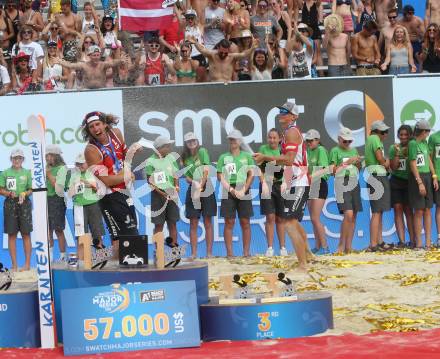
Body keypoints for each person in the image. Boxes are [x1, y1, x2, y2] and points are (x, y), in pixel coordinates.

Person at [253, 100, 310, 270]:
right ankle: (308, 255)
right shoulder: (288, 132)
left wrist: (265, 157)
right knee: (292, 222)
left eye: (285, 112)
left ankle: (303, 264)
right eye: (280, 111)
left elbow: (289, 160)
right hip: (294, 180)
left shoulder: (292, 132)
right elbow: (287, 162)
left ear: (293, 116)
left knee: (289, 223)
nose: (281, 114)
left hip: (300, 180)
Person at [83, 111, 139, 257]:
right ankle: (129, 268)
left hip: (125, 191)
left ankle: (126, 268)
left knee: (126, 232)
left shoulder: (116, 133)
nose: (95, 129)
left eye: (97, 124)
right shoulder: (91, 150)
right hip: (109, 196)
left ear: (105, 124)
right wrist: (126, 175)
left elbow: (125, 157)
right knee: (126, 233)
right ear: (88, 130)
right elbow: (106, 180)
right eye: (91, 127)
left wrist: (133, 151)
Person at [217, 130, 255, 257]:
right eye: (230, 139)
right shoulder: (223, 157)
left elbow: (251, 174)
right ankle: (229, 254)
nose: (232, 141)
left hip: (243, 187)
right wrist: (232, 190)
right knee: (229, 222)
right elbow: (220, 176)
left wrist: (243, 190)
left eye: (234, 139)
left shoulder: (247, 156)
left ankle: (246, 253)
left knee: (245, 221)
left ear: (240, 141)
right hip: (228, 190)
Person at [181, 132, 217, 258]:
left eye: (193, 140)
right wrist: (194, 183)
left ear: (197, 141)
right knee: (193, 222)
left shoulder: (202, 151)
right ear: (186, 143)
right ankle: (194, 254)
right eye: (189, 141)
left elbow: (206, 169)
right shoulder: (184, 157)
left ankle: (209, 253)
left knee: (207, 221)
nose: (192, 142)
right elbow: (187, 177)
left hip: (206, 187)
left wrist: (201, 184)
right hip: (193, 188)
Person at [329, 127, 362, 254]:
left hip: (354, 180)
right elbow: (332, 171)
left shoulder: (353, 150)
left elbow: (357, 169)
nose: (348, 143)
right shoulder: (334, 151)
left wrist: (358, 163)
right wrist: (348, 162)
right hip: (342, 181)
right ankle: (341, 245)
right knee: (348, 214)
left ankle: (349, 247)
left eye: (349, 141)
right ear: (339, 139)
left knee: (353, 215)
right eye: (345, 141)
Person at [67, 153, 105, 258]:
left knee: (97, 233)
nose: (80, 166)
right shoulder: (74, 176)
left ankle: (101, 260)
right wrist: (74, 188)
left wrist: (87, 184)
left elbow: (100, 189)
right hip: (79, 207)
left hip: (94, 205)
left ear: (88, 163)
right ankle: (81, 261)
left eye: (82, 163)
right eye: (78, 164)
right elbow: (70, 194)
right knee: (80, 235)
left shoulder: (94, 173)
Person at [0, 149, 32, 272]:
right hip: (10, 204)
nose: (17, 160)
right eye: (15, 158)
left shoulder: (27, 173)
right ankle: (14, 265)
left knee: (26, 234)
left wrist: (24, 193)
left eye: (19, 158)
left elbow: (31, 189)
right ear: (11, 159)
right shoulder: (5, 173)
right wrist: (8, 193)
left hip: (24, 204)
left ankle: (27, 264)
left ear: (23, 159)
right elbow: (0, 189)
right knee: (12, 235)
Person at [408, 119, 438, 249]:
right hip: (418, 177)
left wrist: (434, 176)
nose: (428, 133)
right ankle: (419, 242)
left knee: (427, 210)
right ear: (423, 131)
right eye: (428, 131)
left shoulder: (425, 142)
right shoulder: (413, 144)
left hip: (427, 176)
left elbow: (429, 160)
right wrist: (419, 182)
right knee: (419, 210)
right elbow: (412, 163)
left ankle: (428, 242)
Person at [257, 128, 287, 257]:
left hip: (280, 185)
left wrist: (285, 182)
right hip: (267, 185)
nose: (272, 140)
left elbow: (288, 167)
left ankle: (283, 248)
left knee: (280, 218)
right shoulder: (263, 149)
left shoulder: (283, 150)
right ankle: (269, 248)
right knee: (270, 217)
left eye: (274, 137)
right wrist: (263, 182)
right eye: (270, 137)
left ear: (279, 139)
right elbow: (259, 168)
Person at [145, 136, 180, 246]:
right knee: (158, 224)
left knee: (172, 223)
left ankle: (174, 252)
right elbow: (150, 182)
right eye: (167, 146)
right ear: (160, 148)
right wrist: (163, 193)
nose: (169, 148)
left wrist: (176, 188)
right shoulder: (150, 161)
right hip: (157, 195)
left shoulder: (171, 158)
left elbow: (176, 175)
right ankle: (158, 253)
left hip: (172, 194)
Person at [365, 120, 392, 251]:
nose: (385, 134)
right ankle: (373, 244)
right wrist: (387, 162)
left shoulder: (373, 139)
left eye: (386, 131)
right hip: (377, 175)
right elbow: (381, 159)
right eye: (383, 132)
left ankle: (379, 241)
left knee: (379, 211)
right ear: (376, 131)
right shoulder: (374, 138)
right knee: (376, 212)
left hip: (376, 175)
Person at [55, 45, 128, 89]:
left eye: (98, 55)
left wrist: (120, 61)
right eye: (94, 55)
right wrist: (61, 62)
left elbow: (112, 62)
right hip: (87, 91)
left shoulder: (103, 65)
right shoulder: (84, 65)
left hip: (102, 91)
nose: (96, 57)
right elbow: (71, 65)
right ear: (89, 56)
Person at [389, 125, 414, 248]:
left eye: (406, 134)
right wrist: (398, 153)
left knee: (409, 211)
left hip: (409, 182)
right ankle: (402, 241)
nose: (403, 137)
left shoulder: (413, 147)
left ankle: (413, 240)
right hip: (396, 181)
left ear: (410, 135)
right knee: (398, 209)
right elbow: (393, 167)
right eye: (401, 134)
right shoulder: (393, 148)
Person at [189, 37, 258, 82]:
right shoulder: (212, 55)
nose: (223, 54)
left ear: (228, 50)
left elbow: (244, 54)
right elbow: (202, 50)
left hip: (227, 86)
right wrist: (195, 43)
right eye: (221, 52)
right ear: (218, 48)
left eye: (225, 53)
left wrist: (252, 48)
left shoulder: (231, 57)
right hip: (214, 86)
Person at [305, 129, 330, 255]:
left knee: (315, 218)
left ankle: (325, 248)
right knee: (313, 218)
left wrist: (311, 175)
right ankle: (317, 246)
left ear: (318, 140)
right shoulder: (308, 151)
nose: (309, 143)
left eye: (311, 140)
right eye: (307, 141)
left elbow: (325, 169)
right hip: (311, 184)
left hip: (319, 184)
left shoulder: (321, 150)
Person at [46, 145, 68, 261]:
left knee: (58, 229)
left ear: (56, 156)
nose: (48, 158)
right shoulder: (46, 167)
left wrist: (49, 175)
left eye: (50, 155)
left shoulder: (62, 168)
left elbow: (58, 188)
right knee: (48, 229)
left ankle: (63, 256)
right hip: (46, 200)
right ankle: (49, 256)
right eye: (47, 156)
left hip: (57, 200)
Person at [429, 123, 440, 247]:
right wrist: (434, 176)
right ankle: (439, 238)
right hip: (439, 177)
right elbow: (430, 159)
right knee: (439, 207)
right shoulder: (434, 137)